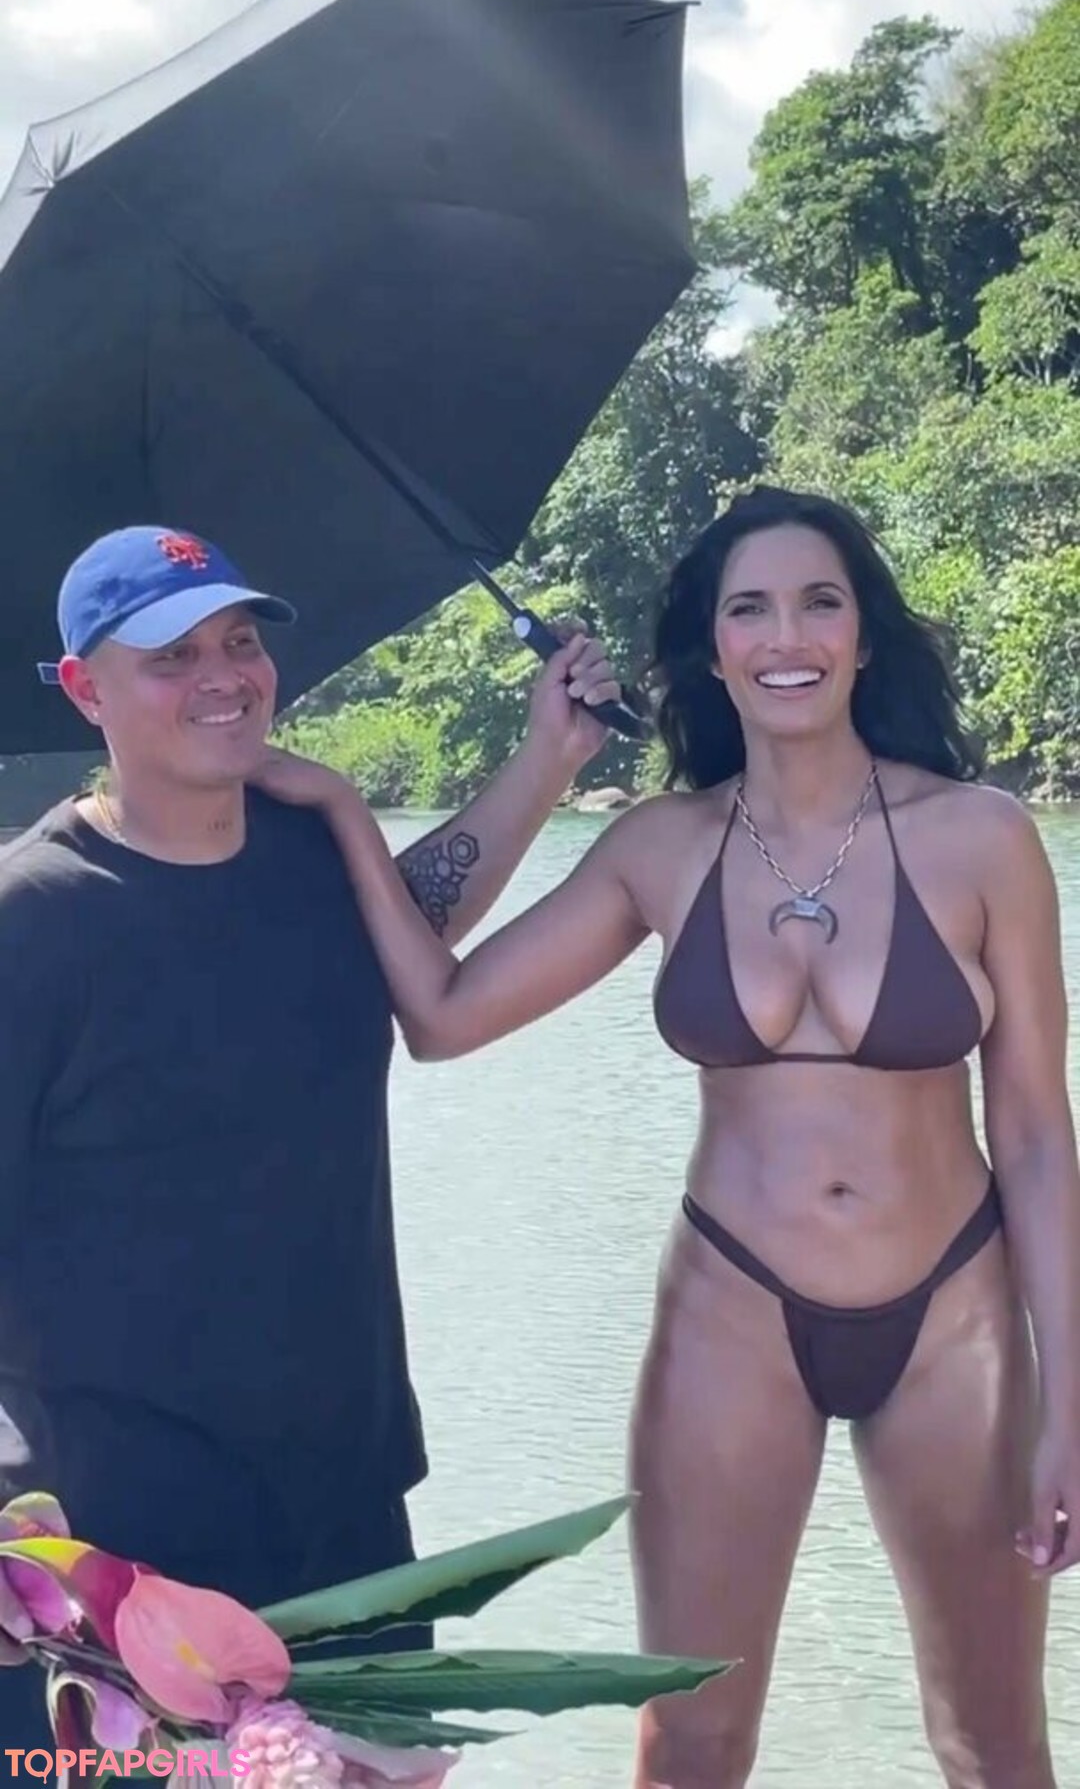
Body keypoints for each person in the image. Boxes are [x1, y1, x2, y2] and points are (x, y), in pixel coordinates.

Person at [254, 484, 1080, 1789]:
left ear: (865, 634)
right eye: (749, 608)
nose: (786, 635)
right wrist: (381, 805)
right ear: (712, 647)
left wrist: (1070, 1399)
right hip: (732, 1310)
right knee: (690, 1738)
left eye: (820, 601)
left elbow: (1033, 1131)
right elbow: (443, 1011)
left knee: (995, 1743)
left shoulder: (981, 837)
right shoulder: (662, 848)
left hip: (955, 1312)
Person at [0, 522, 622, 1746]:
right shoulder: (31, 918)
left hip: (345, 1517)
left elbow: (415, 920)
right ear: (84, 688)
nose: (224, 675)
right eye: (172, 656)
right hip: (115, 1562)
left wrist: (549, 753)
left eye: (239, 640)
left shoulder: (308, 853)